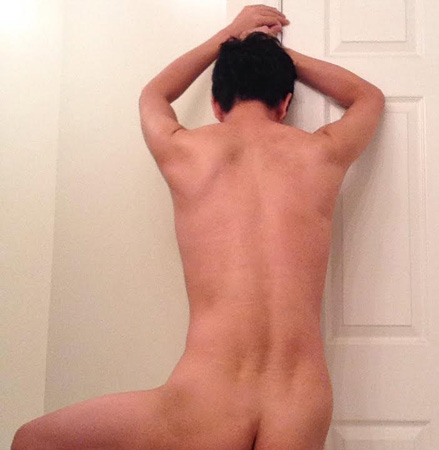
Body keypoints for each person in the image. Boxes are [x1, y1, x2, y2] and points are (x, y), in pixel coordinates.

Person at [11, 5, 384, 450]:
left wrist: (229, 36)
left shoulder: (183, 150)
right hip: (301, 399)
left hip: (208, 395)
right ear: (285, 104)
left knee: (32, 440)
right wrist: (280, 56)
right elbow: (368, 97)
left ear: (216, 105)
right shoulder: (322, 153)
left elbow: (155, 94)